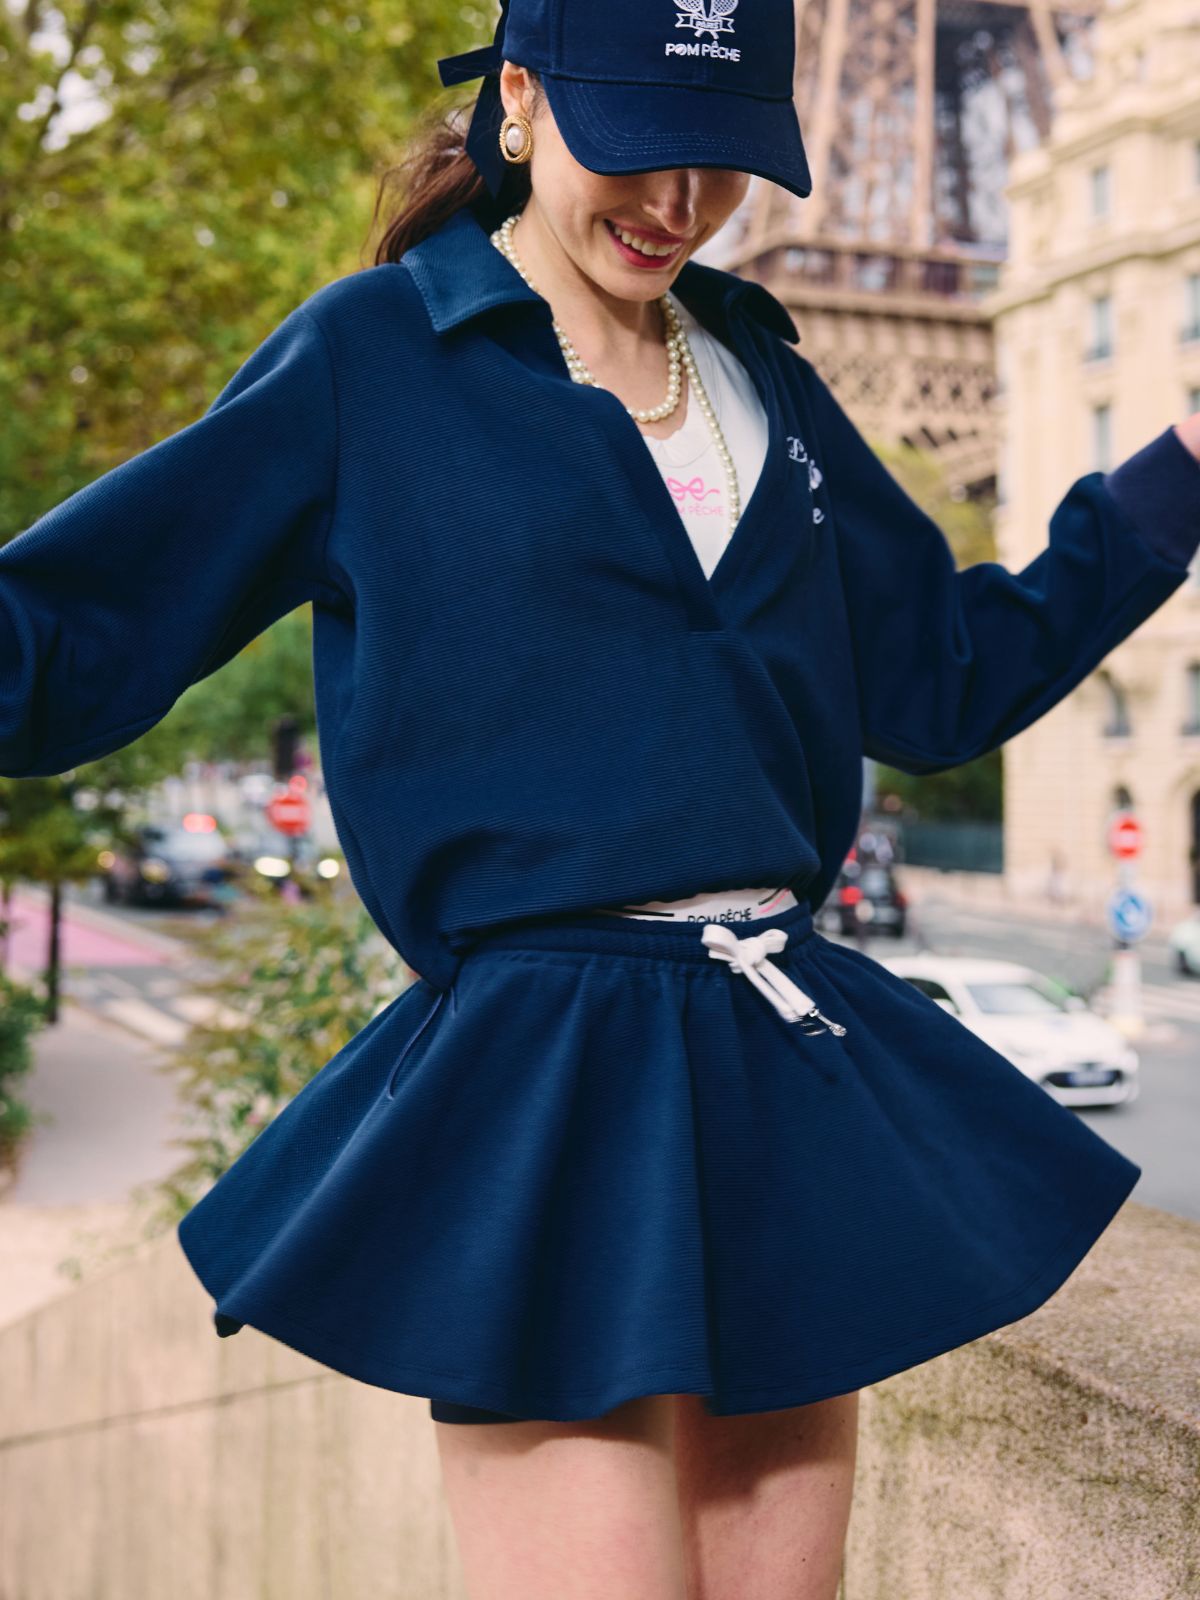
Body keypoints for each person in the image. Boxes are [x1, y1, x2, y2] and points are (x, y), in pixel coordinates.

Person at [3, 0, 1200, 1593]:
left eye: (723, 158)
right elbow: (81, 630)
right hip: (540, 1082)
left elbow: (946, 680)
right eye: (639, 144)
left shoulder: (763, 368)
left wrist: (1175, 471)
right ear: (519, 98)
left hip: (773, 1061)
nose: (679, 201)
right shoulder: (371, 359)